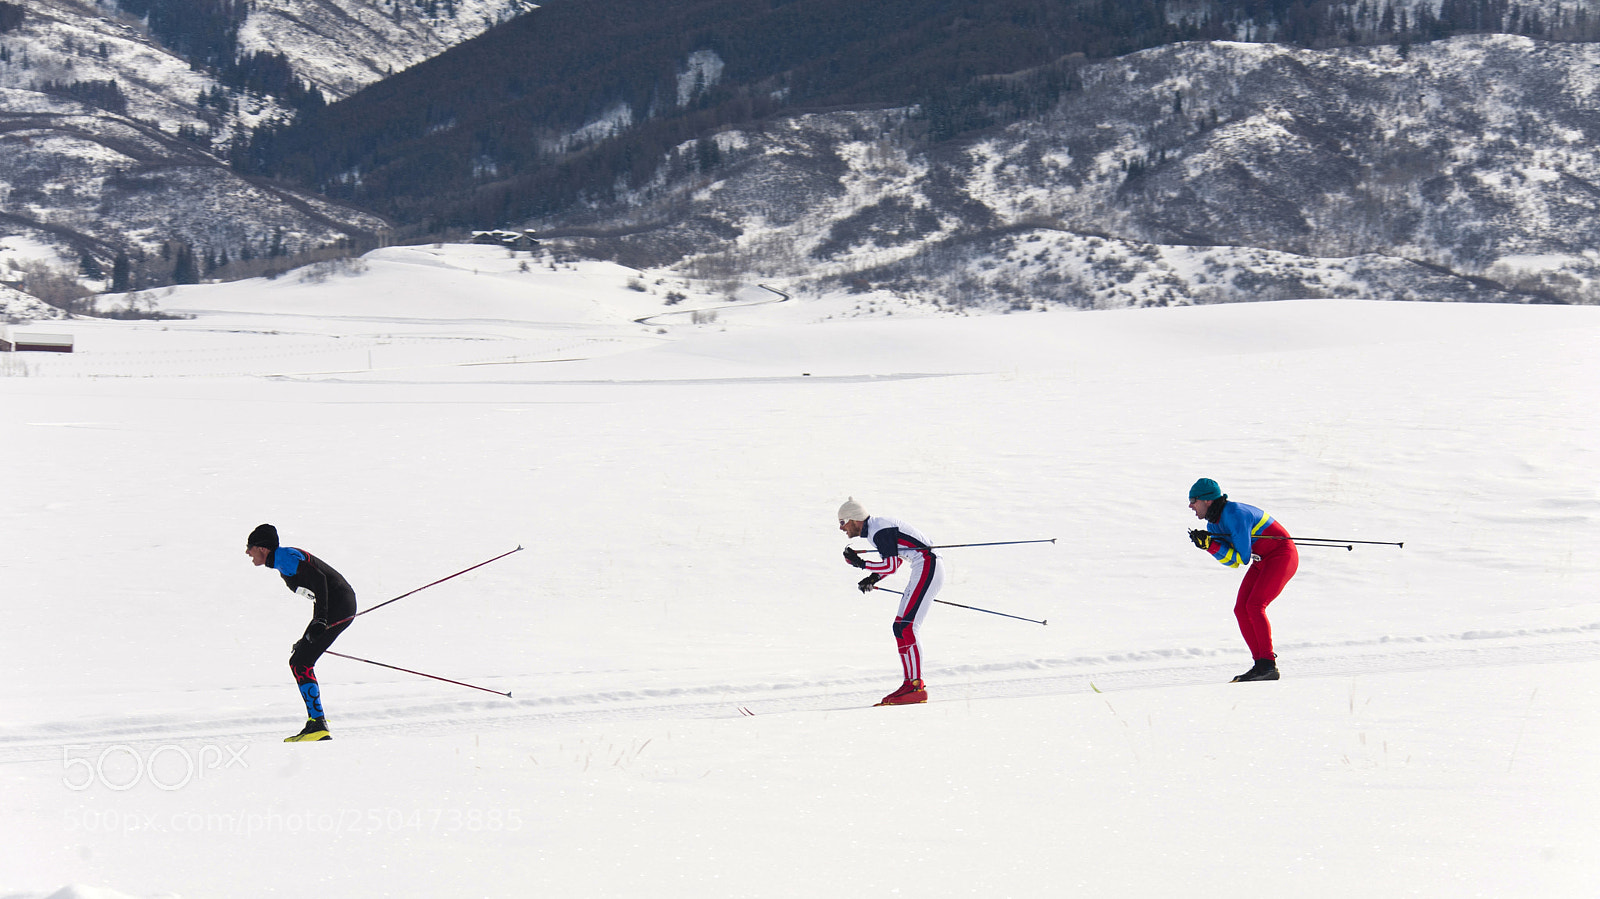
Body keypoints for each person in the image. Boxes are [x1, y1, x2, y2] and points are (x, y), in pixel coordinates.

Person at [245, 524, 357, 741]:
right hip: (338, 605)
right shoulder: (282, 560)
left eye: (250, 547)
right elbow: (319, 587)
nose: (247, 552)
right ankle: (316, 720)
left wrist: (321, 620)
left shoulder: (284, 557)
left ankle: (317, 723)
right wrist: (309, 632)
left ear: (262, 548)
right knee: (300, 658)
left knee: (300, 662)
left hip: (339, 605)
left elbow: (320, 581)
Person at [1186, 479, 1299, 682]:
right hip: (1261, 559)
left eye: (1193, 500)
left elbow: (1242, 558)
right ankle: (1261, 665)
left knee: (1255, 605)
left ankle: (1267, 665)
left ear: (1208, 501)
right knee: (1241, 609)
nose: (1190, 506)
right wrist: (1208, 545)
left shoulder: (1235, 514)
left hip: (1281, 556)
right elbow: (1232, 563)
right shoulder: (1214, 522)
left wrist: (1211, 544)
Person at [838, 498, 945, 706]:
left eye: (843, 522)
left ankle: (916, 686)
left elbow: (890, 566)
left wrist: (861, 564)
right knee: (899, 627)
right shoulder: (875, 530)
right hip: (922, 566)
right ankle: (909, 683)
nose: (841, 528)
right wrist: (873, 578)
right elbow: (893, 561)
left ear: (854, 519)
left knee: (907, 626)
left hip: (928, 565)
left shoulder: (879, 530)